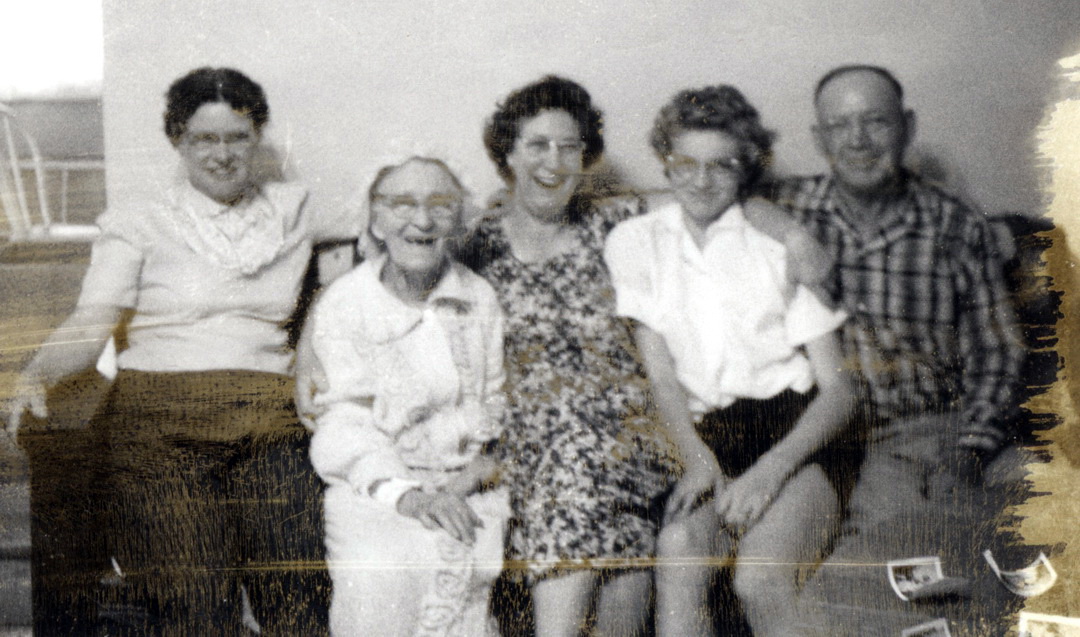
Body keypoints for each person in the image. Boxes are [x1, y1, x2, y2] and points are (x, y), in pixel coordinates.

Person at [459, 75, 823, 637]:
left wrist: (795, 235)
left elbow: (717, 196)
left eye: (569, 146)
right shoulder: (476, 241)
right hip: (539, 436)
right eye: (537, 145)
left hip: (635, 431)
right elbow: (397, 268)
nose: (553, 161)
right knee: (576, 468)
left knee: (589, 477)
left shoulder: (616, 220)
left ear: (586, 157)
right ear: (507, 153)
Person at [5, 67, 329, 635]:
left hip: (269, 418)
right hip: (160, 420)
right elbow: (92, 320)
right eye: (205, 139)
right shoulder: (139, 219)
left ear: (258, 138)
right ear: (178, 140)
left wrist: (311, 346)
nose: (222, 155)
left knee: (296, 597)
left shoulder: (294, 208)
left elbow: (383, 236)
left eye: (238, 137)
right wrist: (36, 372)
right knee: (195, 605)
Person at [772, 65, 1026, 632]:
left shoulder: (953, 223)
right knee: (879, 590)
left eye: (876, 122)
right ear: (818, 139)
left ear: (907, 127)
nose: (858, 140)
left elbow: (996, 350)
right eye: (840, 126)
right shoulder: (790, 208)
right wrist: (787, 232)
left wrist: (971, 447)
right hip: (849, 442)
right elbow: (707, 192)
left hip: (945, 426)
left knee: (1045, 534)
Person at [604, 85, 855, 637]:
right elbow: (661, 375)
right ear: (665, 163)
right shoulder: (635, 241)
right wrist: (696, 458)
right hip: (709, 436)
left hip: (794, 436)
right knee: (678, 546)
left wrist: (769, 473)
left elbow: (841, 392)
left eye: (721, 165)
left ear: (746, 168)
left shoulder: (778, 245)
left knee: (759, 580)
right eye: (685, 163)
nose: (701, 180)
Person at [299, 157, 508, 636]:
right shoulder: (348, 301)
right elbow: (344, 423)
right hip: (373, 484)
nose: (422, 220)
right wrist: (407, 495)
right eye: (402, 204)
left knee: (460, 563)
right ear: (375, 219)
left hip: (465, 483)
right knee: (381, 571)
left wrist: (468, 478)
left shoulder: (479, 296)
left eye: (440, 204)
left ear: (458, 219)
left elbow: (493, 401)